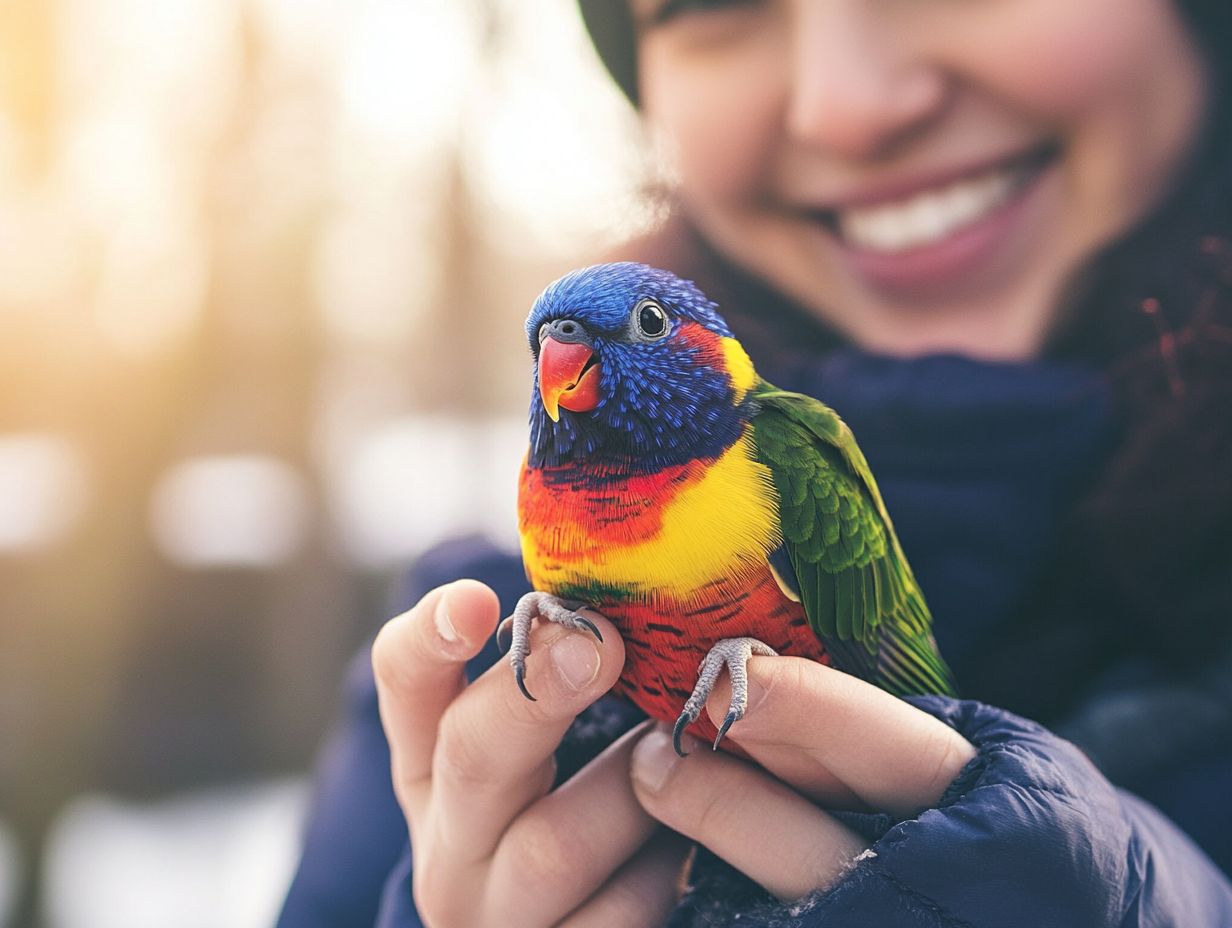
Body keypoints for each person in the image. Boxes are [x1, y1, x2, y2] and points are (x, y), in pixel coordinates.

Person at [278, 1, 1232, 924]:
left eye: (646, 329)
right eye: (712, 0)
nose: (845, 107)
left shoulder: (778, 451)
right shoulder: (474, 647)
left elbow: (907, 685)